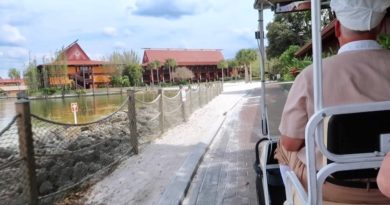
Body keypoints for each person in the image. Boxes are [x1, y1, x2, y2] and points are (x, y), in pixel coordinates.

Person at [274, 0, 390, 203]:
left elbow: (291, 143)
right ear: (380, 27)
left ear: (336, 28)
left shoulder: (312, 75)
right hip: (386, 186)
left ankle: (294, 199)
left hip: (332, 185)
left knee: (282, 148)